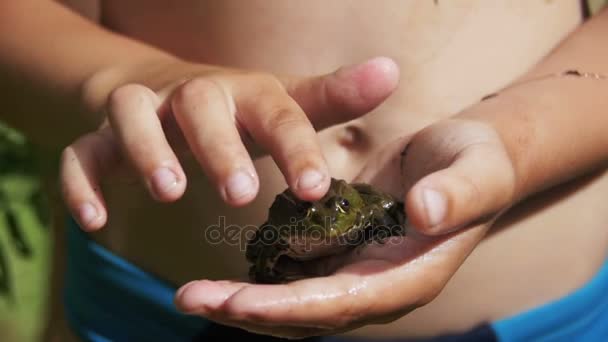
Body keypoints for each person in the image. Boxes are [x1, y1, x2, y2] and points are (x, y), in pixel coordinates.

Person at [2, 0, 608, 341]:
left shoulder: (368, 212)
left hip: (537, 325)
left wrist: (520, 141)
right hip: (157, 313)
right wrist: (124, 81)